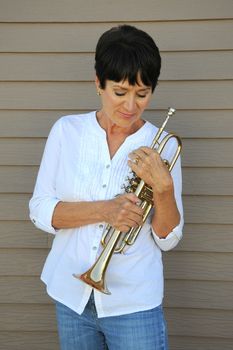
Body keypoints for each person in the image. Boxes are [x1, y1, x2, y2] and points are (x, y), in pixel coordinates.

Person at [29, 24, 183, 350]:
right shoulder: (66, 131)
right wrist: (106, 210)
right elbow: (40, 210)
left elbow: (168, 239)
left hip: (133, 302)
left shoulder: (164, 146)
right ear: (98, 83)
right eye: (120, 92)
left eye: (142, 94)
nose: (130, 106)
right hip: (70, 296)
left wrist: (164, 188)